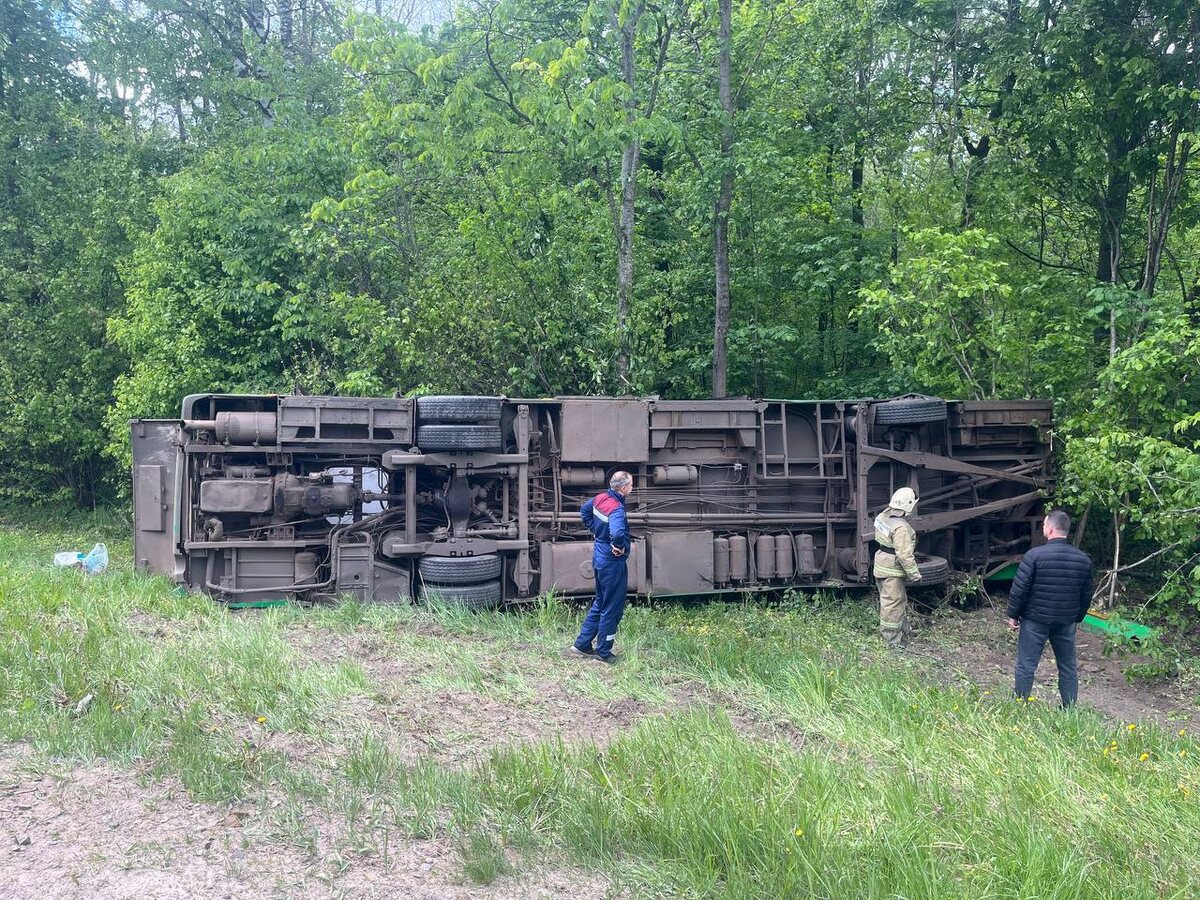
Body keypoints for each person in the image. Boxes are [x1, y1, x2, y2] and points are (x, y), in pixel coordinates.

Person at [1006, 509, 1093, 708]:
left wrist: (1013, 615)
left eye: (1044, 525)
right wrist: (1076, 617)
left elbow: (1020, 589)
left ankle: (1020, 705)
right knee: (1068, 667)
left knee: (1026, 665)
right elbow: (1086, 594)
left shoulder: (1035, 555)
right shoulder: (1083, 560)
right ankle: (1069, 709)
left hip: (1035, 620)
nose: (1043, 528)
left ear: (1051, 529)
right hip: (1065, 621)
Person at [570, 471, 634, 664]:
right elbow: (617, 532)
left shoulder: (600, 498)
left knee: (601, 601)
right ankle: (604, 652)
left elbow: (584, 510)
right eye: (631, 485)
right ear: (623, 488)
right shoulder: (616, 508)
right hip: (612, 562)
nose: (632, 487)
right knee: (612, 606)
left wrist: (595, 530)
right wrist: (619, 546)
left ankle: (581, 644)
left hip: (599, 555)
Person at [873, 487, 921, 647]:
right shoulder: (902, 528)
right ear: (908, 506)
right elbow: (904, 555)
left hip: (881, 564)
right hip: (892, 569)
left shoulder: (882, 516)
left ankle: (903, 630)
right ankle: (891, 640)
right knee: (892, 604)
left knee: (895, 600)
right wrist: (915, 575)